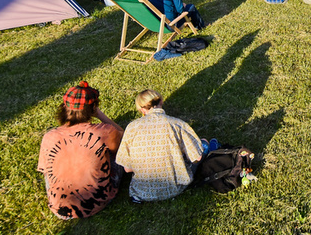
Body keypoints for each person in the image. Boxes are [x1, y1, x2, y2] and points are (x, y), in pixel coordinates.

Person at [37, 81, 124, 219]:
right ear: (93, 107)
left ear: (65, 107)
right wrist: (100, 115)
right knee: (117, 155)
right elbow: (123, 139)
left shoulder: (49, 136)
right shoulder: (104, 131)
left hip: (60, 209)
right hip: (98, 202)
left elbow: (45, 170)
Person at [116, 90, 204, 203]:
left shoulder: (132, 127)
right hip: (175, 188)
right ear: (161, 101)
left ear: (142, 109)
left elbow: (127, 169)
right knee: (203, 144)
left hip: (141, 192)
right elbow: (197, 158)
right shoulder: (177, 124)